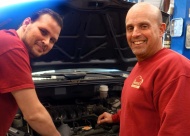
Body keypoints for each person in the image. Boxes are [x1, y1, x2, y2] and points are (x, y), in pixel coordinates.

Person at [97, 2, 190, 136]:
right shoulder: (141, 64)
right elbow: (138, 106)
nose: (135, 34)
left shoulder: (176, 70)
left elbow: (177, 131)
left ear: (161, 29)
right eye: (130, 28)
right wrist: (115, 117)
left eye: (143, 26)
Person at [0, 8, 65, 136]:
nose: (46, 42)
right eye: (43, 31)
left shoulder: (8, 40)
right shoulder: (12, 47)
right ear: (26, 23)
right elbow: (34, 115)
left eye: (52, 40)